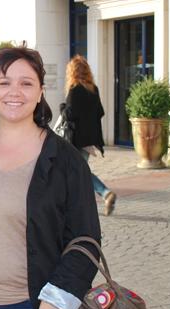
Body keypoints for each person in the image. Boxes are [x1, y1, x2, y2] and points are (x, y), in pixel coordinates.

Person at [0, 46, 101, 309]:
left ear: (41, 91)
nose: (14, 92)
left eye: (26, 83)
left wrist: (59, 298)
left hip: (33, 307)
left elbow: (86, 238)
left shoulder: (65, 160)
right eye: (4, 82)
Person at [61, 54, 117, 216]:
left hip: (76, 140)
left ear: (72, 72)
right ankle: (77, 203)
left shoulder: (75, 89)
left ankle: (105, 193)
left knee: (77, 172)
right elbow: (100, 112)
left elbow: (69, 115)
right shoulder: (93, 89)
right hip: (89, 140)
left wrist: (62, 107)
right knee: (76, 172)